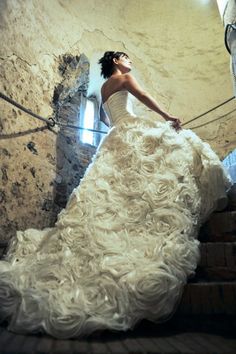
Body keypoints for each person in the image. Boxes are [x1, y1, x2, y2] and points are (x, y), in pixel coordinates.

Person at [0, 51, 232, 339]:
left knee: (117, 186)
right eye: (126, 58)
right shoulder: (123, 78)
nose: (130, 61)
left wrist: (117, 125)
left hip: (115, 136)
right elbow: (144, 96)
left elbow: (102, 116)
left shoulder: (103, 88)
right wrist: (167, 116)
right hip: (130, 128)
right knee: (171, 154)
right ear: (116, 63)